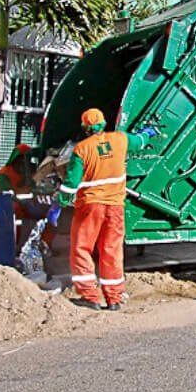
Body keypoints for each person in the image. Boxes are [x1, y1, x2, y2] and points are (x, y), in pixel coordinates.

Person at [57, 108, 156, 311]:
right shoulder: (120, 140)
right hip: (115, 207)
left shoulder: (81, 150)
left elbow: (70, 185)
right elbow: (140, 141)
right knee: (111, 249)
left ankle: (90, 296)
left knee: (82, 248)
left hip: (90, 207)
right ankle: (114, 298)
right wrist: (149, 132)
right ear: (103, 123)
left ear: (85, 128)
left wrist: (60, 201)